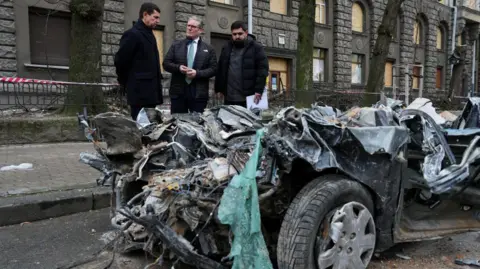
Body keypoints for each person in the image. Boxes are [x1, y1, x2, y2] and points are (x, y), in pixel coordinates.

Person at [114, 3, 163, 120]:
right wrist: (125, 82)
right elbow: (121, 61)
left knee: (150, 129)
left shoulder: (150, 34)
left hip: (151, 92)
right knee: (141, 127)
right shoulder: (132, 34)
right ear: (145, 14)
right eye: (155, 17)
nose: (158, 21)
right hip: (139, 93)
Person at [163, 16, 217, 114]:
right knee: (177, 123)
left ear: (200, 30)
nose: (189, 28)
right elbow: (166, 64)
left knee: (197, 124)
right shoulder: (176, 45)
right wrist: (178, 68)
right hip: (178, 92)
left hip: (198, 94)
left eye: (193, 26)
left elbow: (213, 69)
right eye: (188, 25)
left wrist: (197, 73)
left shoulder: (209, 49)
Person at [214, 21, 269, 107]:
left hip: (249, 97)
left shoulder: (256, 48)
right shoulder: (226, 48)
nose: (237, 36)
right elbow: (221, 69)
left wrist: (259, 90)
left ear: (246, 33)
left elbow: (263, 70)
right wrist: (219, 89)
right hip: (229, 97)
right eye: (234, 34)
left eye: (240, 34)